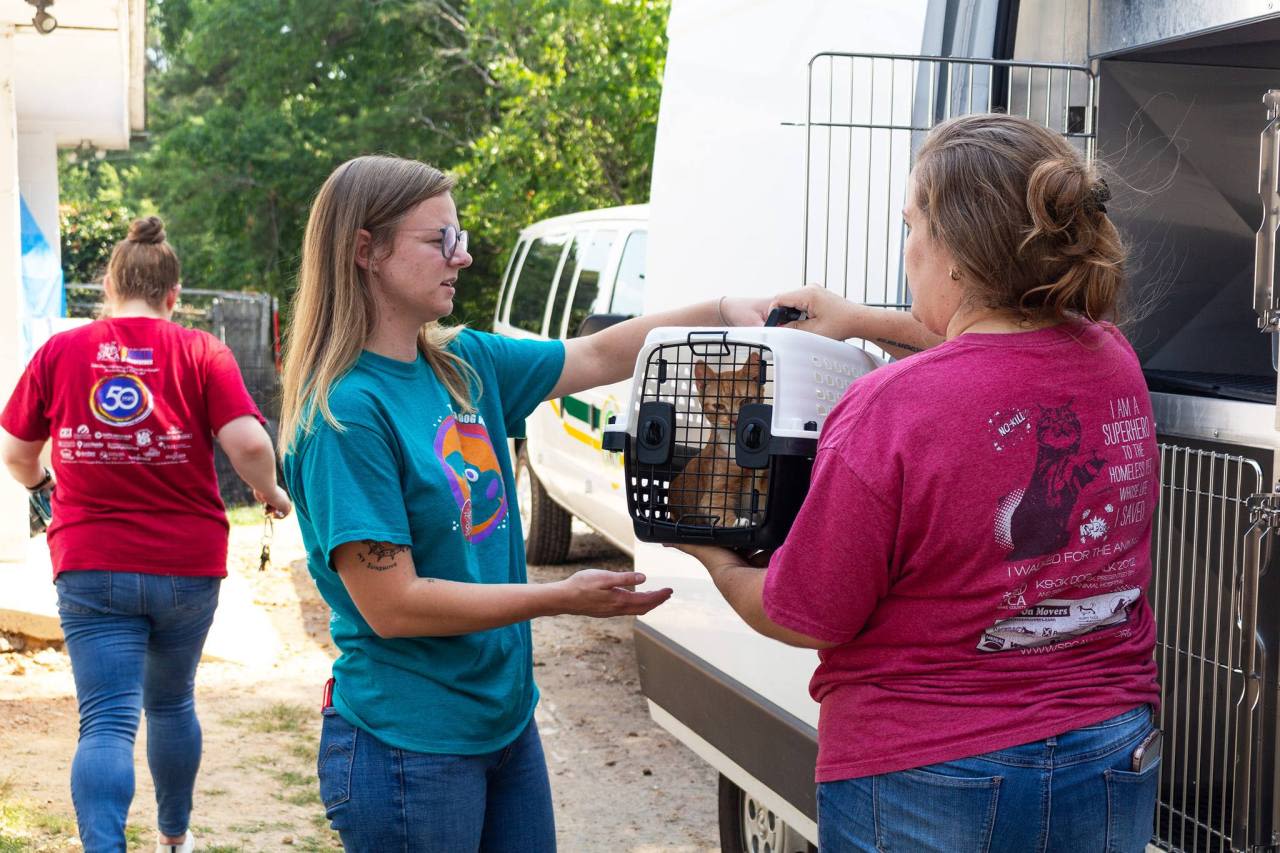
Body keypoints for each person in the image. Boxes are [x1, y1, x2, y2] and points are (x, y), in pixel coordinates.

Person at [675, 113, 1162, 852]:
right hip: (1108, 750)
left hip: (931, 769)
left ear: (959, 255)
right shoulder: (1112, 360)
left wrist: (708, 550)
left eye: (911, 225)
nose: (907, 250)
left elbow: (807, 616)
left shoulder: (889, 407)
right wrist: (858, 319)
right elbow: (1003, 353)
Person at [277, 154, 770, 852]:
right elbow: (395, 605)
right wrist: (560, 595)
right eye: (440, 240)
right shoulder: (348, 414)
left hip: (504, 727)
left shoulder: (462, 364)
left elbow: (596, 355)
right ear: (366, 251)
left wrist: (722, 312)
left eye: (460, 236)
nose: (464, 255)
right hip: (409, 747)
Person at [0, 216, 292, 853]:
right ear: (174, 294)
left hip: (90, 563)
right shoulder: (200, 351)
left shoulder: (61, 351)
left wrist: (41, 483)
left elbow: (17, 452)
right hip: (187, 566)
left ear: (108, 284)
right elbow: (246, 440)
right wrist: (271, 495)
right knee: (170, 704)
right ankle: (174, 837)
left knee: (105, 722)